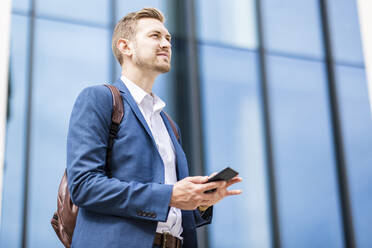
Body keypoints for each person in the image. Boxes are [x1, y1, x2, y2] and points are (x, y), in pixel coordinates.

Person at [66, 7, 242, 248]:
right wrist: (170, 195)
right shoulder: (99, 99)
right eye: (155, 36)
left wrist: (200, 200)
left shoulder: (168, 124)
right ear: (125, 47)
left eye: (168, 38)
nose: (166, 44)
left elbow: (173, 208)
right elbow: (84, 186)